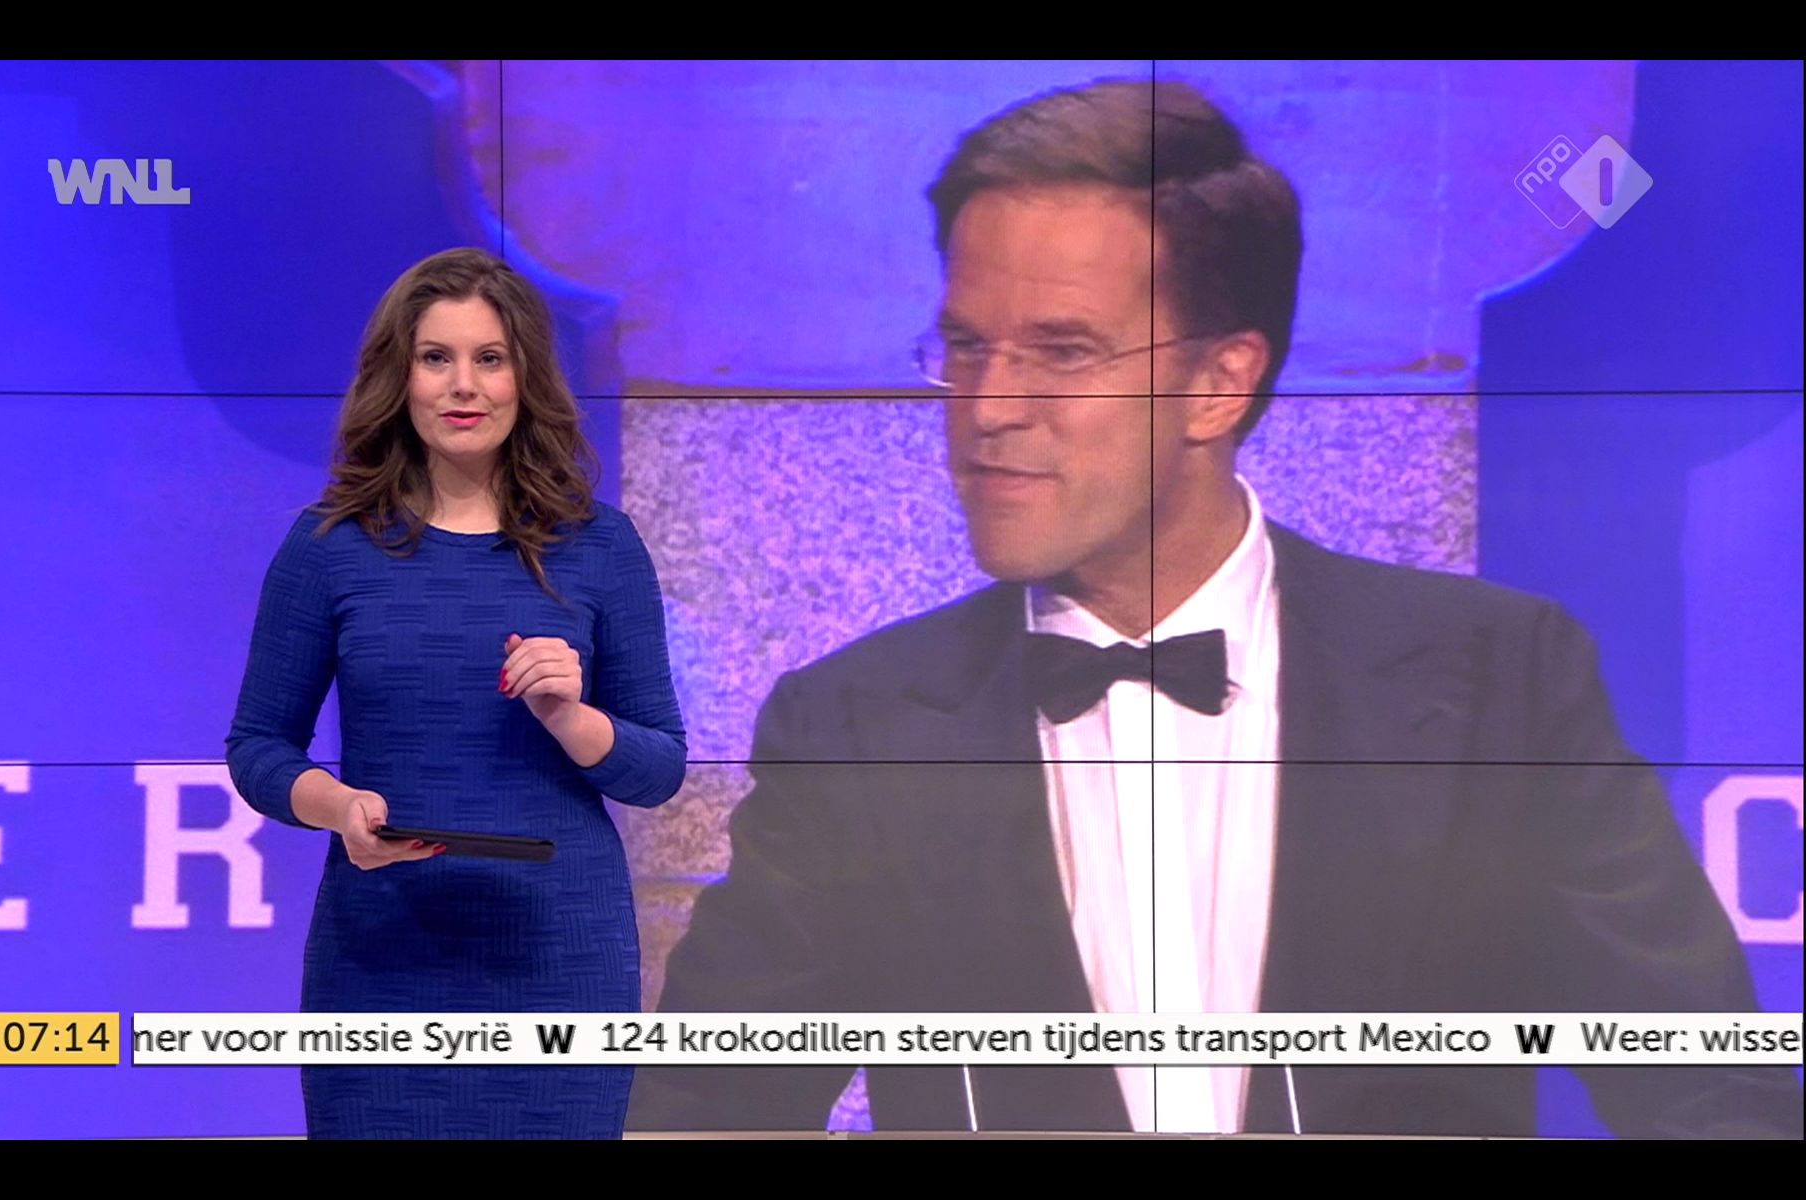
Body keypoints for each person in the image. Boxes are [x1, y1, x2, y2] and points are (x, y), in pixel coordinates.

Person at [629, 81, 1801, 1137]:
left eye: (1062, 352)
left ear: (1220, 382)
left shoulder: (1503, 682)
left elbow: (1708, 1089)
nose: (986, 408)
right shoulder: (857, 729)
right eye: (969, 347)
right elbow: (703, 1109)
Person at [227, 247, 687, 1139]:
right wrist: (340, 808)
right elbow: (258, 748)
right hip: (382, 952)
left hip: (558, 952)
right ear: (399, 378)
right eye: (436, 358)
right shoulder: (328, 547)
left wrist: (573, 718)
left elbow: (659, 768)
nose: (462, 385)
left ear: (526, 377)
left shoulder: (601, 547)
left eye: (490, 358)